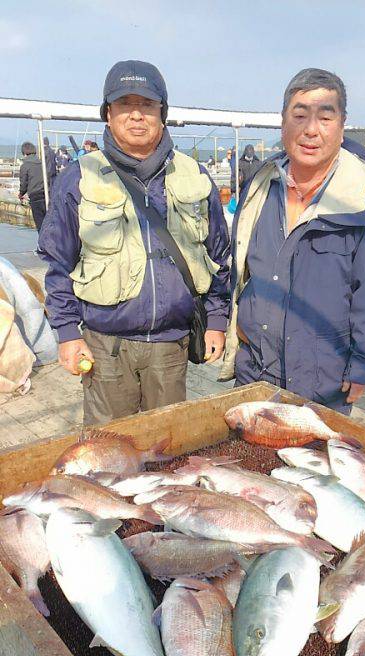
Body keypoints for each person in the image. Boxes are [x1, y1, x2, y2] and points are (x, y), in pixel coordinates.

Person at [39, 59, 230, 425]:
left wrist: (217, 320)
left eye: (148, 104)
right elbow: (57, 265)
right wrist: (66, 333)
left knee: (167, 446)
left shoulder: (195, 176)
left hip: (171, 346)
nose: (136, 115)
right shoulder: (78, 178)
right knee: (108, 450)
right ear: (108, 114)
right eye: (125, 104)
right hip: (105, 347)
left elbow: (220, 256)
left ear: (163, 113)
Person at [220, 68, 365, 415]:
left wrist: (364, 361)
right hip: (255, 369)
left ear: (342, 126)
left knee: (310, 466)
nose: (311, 129)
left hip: (321, 379)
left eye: (325, 116)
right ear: (283, 123)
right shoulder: (261, 184)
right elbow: (241, 268)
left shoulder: (362, 198)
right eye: (299, 115)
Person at [18, 142, 47, 231]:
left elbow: (24, 184)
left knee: (40, 225)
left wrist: (21, 194)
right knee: (49, 223)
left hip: (35, 196)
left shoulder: (25, 166)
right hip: (47, 194)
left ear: (24, 153)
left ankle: (43, 244)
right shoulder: (42, 163)